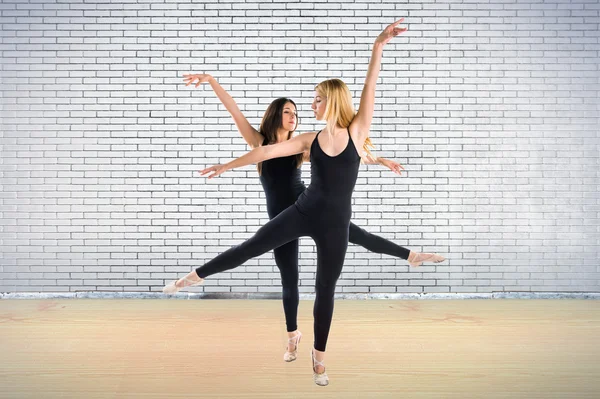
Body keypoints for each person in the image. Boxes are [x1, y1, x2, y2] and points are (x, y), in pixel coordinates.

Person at [164, 19, 444, 386]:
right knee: (252, 247)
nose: (310, 104)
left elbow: (370, 86)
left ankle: (319, 355)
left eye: (316, 98)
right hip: (302, 210)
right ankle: (193, 276)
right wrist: (226, 165)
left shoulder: (358, 132)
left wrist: (379, 46)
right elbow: (263, 151)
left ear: (332, 100)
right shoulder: (308, 141)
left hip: (332, 223)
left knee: (325, 288)